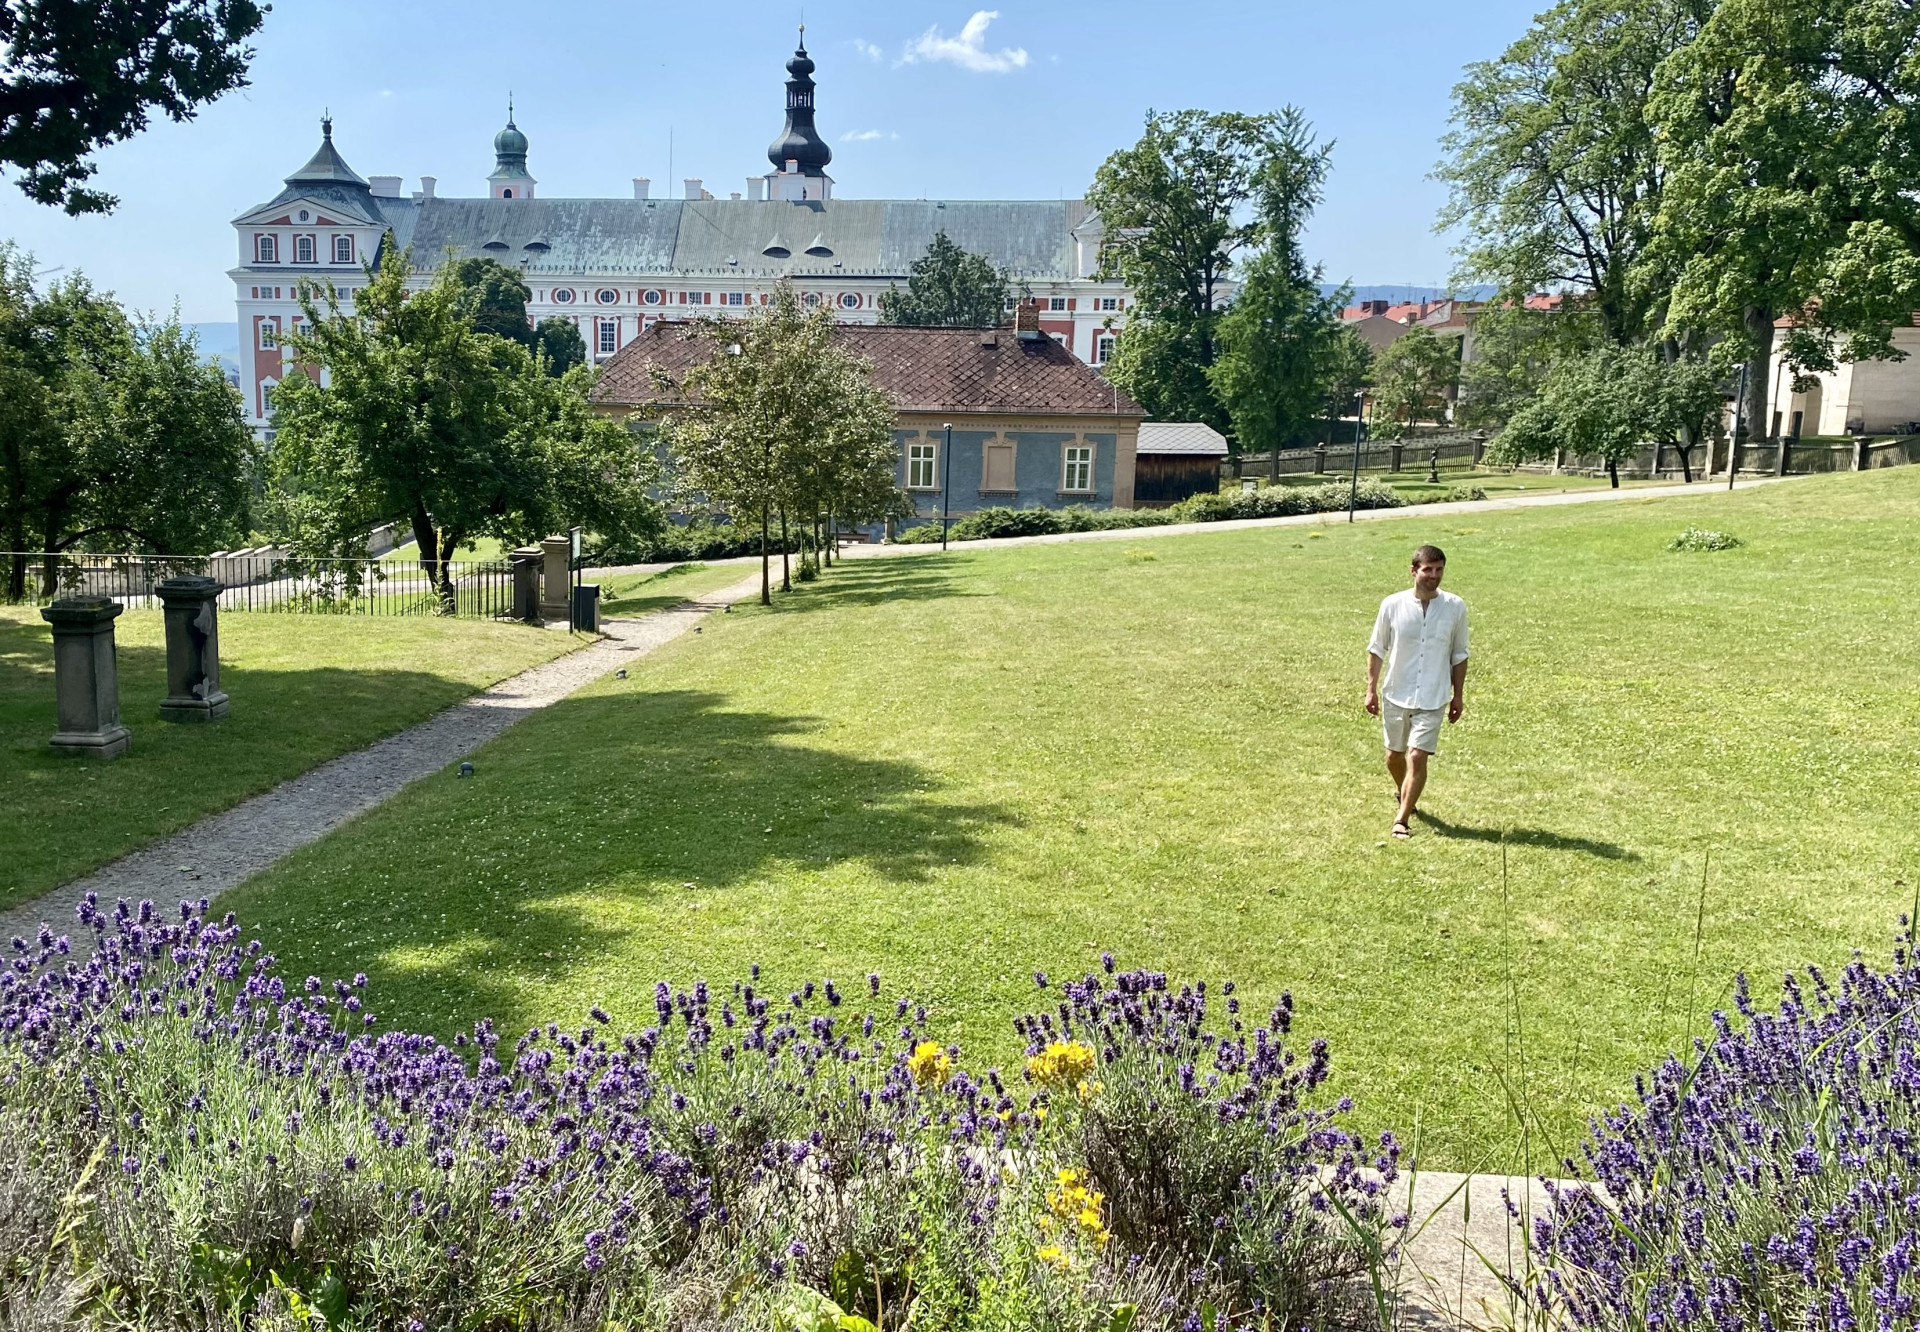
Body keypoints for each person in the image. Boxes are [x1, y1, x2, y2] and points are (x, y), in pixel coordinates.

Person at [1364, 544, 1469, 839]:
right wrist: (1370, 689)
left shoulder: (1455, 607)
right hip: (1396, 693)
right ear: (1413, 571)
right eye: (1427, 570)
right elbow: (1376, 649)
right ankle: (1405, 791)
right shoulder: (1392, 605)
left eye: (1439, 570)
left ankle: (1402, 818)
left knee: (1417, 756)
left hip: (1433, 696)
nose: (1434, 576)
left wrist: (1458, 695)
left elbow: (1459, 654)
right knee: (1393, 757)